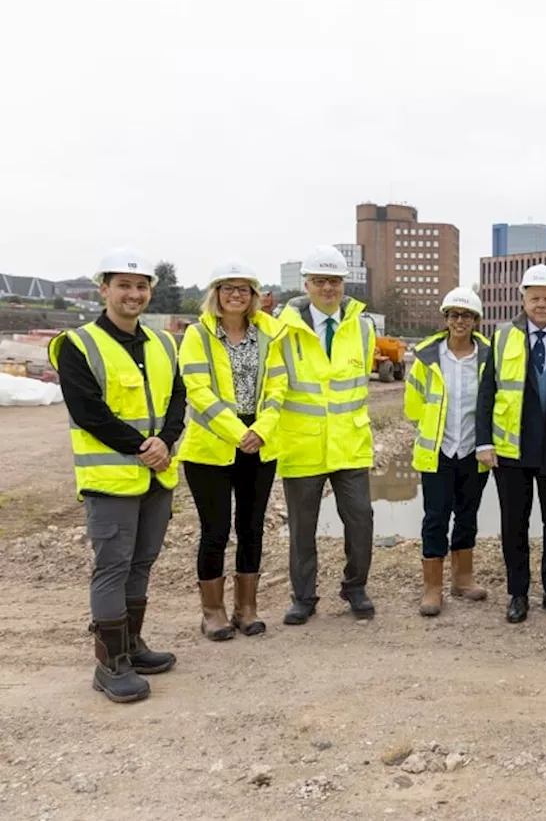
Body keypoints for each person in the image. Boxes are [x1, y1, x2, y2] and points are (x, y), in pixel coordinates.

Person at [50, 249, 185, 702]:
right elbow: (88, 410)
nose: (134, 294)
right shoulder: (78, 344)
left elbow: (176, 401)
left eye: (141, 285)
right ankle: (109, 664)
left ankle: (131, 645)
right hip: (111, 481)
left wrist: (166, 439)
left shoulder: (164, 343)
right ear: (104, 289)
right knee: (112, 568)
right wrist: (142, 447)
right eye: (124, 285)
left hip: (157, 476)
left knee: (141, 564)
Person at [178, 262, 287, 641]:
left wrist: (260, 430)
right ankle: (213, 612)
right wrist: (238, 432)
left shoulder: (268, 336)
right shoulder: (197, 335)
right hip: (211, 446)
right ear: (216, 295)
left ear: (254, 296)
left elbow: (277, 388)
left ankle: (246, 608)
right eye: (228, 289)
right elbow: (197, 389)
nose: (236, 295)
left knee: (252, 529)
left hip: (258, 443)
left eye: (243, 289)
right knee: (215, 531)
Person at [476, 264, 546, 623]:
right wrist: (483, 442)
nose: (541, 304)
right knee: (514, 524)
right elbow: (487, 392)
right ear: (522, 299)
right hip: (513, 449)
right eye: (534, 297)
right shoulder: (504, 335)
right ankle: (518, 592)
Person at [275, 245, 379, 625]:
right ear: (307, 284)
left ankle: (355, 587)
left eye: (334, 280)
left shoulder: (363, 328)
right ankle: (303, 596)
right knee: (302, 528)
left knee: (361, 520)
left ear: (343, 283)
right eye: (319, 281)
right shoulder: (283, 329)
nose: (327, 288)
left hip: (349, 443)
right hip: (303, 443)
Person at [406, 288, 492, 618]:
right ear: (445, 319)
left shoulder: (486, 357)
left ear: (476, 321)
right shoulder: (429, 357)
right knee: (435, 517)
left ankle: (463, 579)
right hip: (438, 451)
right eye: (454, 315)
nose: (460, 321)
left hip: (474, 449)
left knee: (467, 515)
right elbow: (413, 405)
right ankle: (432, 588)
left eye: (466, 316)